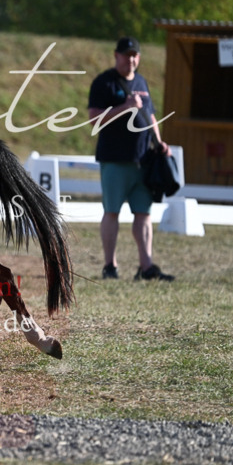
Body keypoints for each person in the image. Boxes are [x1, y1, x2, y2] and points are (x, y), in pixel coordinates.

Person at [88, 36, 174, 281]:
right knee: (112, 212)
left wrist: (159, 142)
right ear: (116, 56)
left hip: (142, 160)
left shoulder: (142, 82)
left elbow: (150, 116)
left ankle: (146, 267)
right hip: (115, 160)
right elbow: (94, 119)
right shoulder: (104, 83)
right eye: (126, 55)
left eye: (135, 55)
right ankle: (110, 266)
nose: (131, 59)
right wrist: (124, 107)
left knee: (143, 213)